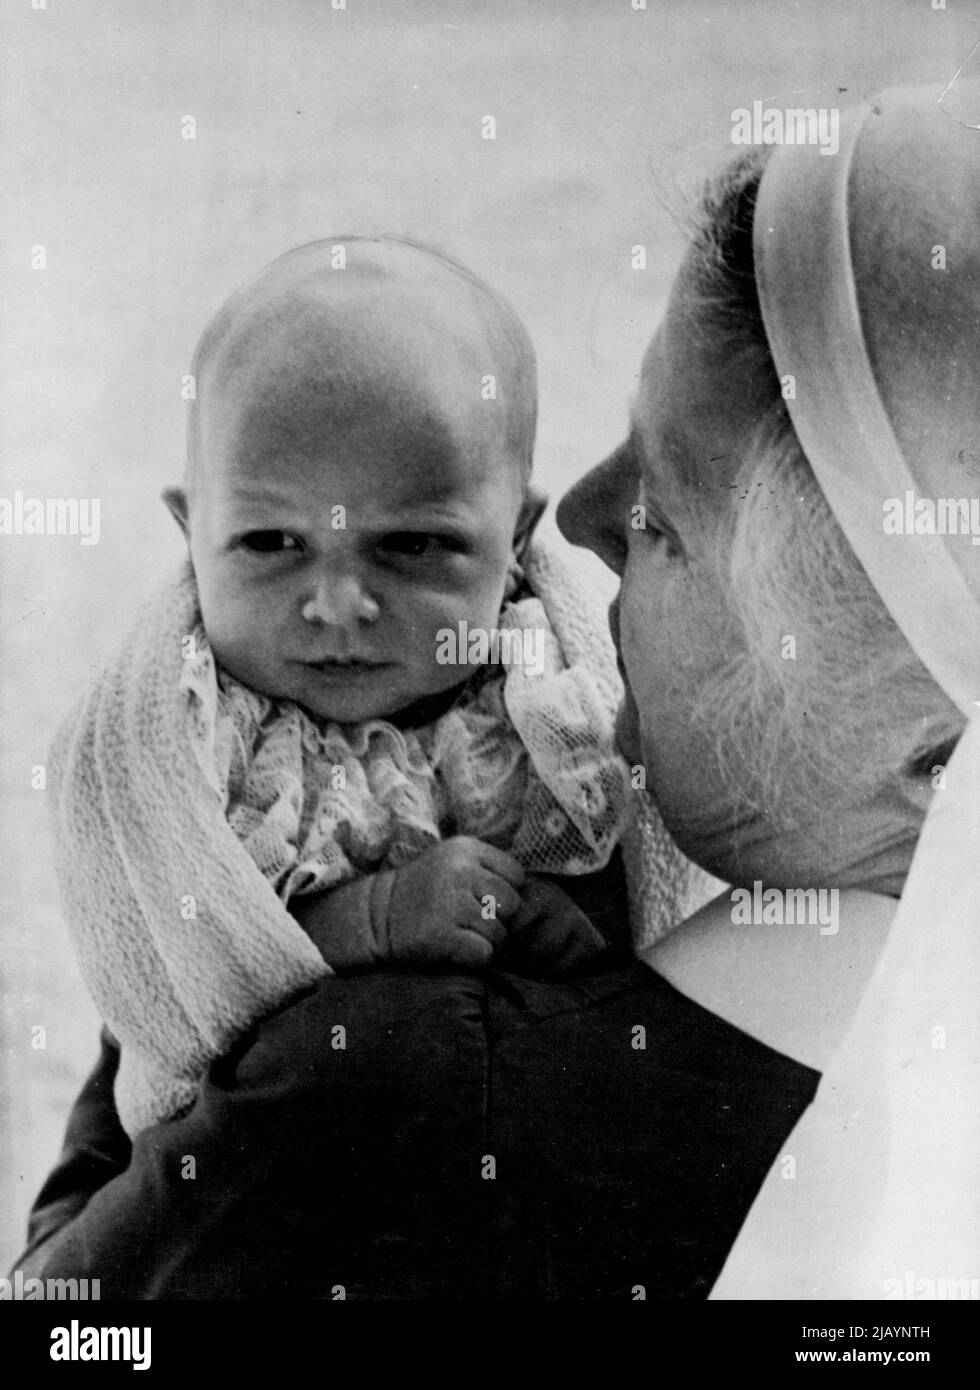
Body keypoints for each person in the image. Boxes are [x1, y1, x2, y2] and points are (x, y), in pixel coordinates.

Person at [12, 81, 976, 1299]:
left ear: (896, 711)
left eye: (664, 515)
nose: (577, 517)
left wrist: (137, 1066)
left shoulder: (378, 1091)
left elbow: (63, 1312)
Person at [47, 236, 693, 1140]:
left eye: (413, 545)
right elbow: (181, 954)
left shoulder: (548, 688)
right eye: (270, 543)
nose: (339, 605)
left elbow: (647, 859)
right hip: (245, 1160)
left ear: (515, 540)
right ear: (191, 536)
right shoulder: (197, 734)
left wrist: (562, 920)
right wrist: (373, 917)